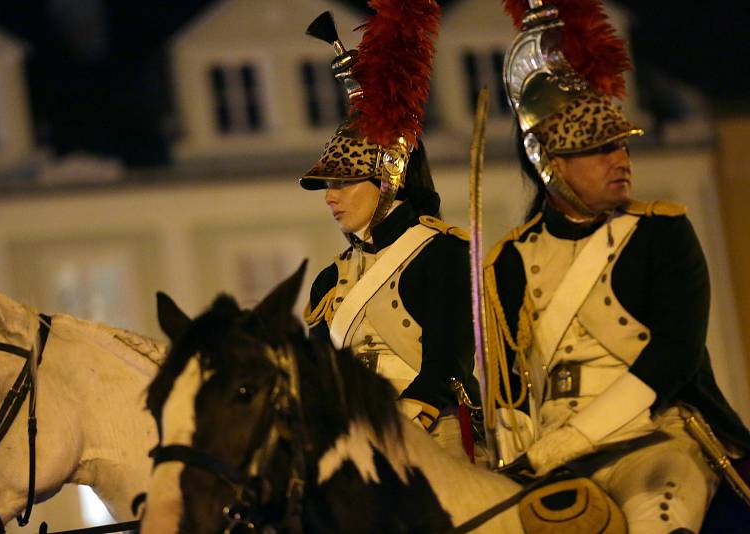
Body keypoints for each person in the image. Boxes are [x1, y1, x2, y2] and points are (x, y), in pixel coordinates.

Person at [484, 1, 750, 532]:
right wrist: (521, 456)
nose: (621, 161)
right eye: (599, 150)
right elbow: (508, 386)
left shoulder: (661, 233)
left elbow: (674, 354)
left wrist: (570, 441)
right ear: (552, 166)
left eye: (621, 147)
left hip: (652, 438)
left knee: (659, 515)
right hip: (547, 461)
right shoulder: (509, 259)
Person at [299, 4, 480, 462]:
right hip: (356, 448)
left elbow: (447, 362)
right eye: (327, 185)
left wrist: (395, 432)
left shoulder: (441, 253)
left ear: (386, 182)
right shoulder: (329, 280)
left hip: (432, 434)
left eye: (342, 182)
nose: (330, 197)